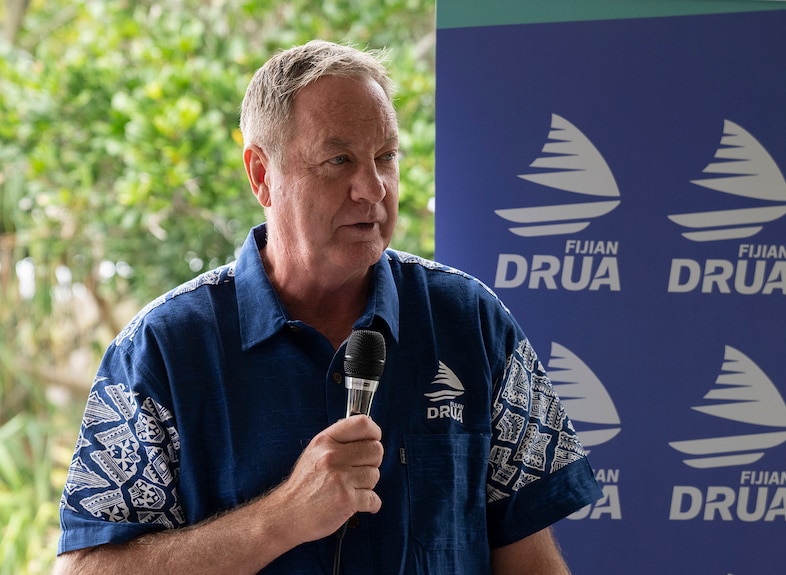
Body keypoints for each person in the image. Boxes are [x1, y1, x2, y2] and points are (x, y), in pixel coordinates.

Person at [53, 40, 603, 574]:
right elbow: (85, 568)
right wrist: (284, 517)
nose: (373, 187)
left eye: (384, 156)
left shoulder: (473, 323)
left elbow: (528, 558)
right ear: (262, 175)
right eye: (338, 159)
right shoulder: (161, 350)